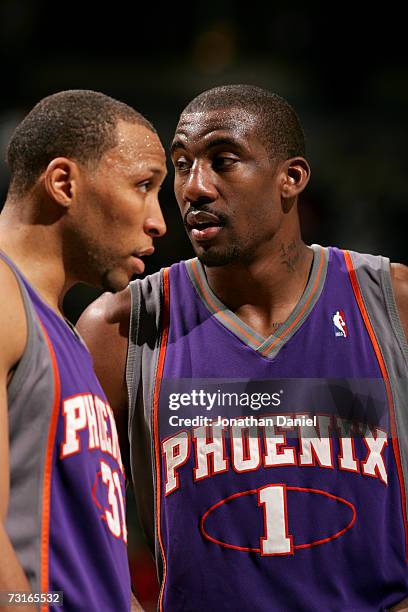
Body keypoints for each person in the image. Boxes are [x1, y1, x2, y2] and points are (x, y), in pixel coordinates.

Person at [77, 85, 408, 611]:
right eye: (182, 165)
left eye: (223, 161)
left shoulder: (391, 305)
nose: (195, 187)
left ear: (291, 179)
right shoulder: (119, 327)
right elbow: (51, 512)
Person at [0, 89, 166, 611]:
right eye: (144, 186)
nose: (159, 220)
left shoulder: (63, 336)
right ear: (64, 183)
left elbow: (94, 580)